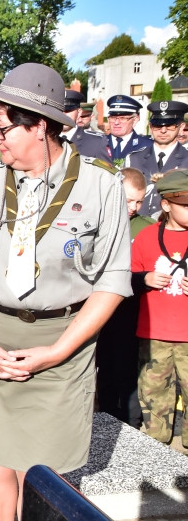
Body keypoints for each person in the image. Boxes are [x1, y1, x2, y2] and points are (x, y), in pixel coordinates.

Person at [0, 64, 131, 521]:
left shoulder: (99, 187)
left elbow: (112, 282)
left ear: (42, 125)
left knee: (45, 470)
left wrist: (56, 352)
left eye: (5, 130)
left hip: (60, 342)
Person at [133, 170, 188, 454]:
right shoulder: (145, 237)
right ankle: (158, 451)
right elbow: (125, 278)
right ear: (166, 204)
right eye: (185, 205)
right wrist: (144, 279)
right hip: (155, 334)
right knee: (154, 393)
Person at [96, 167, 155, 428]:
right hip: (100, 305)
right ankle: (105, 415)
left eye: (139, 201)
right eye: (128, 199)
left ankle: (131, 422)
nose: (133, 206)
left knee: (128, 367)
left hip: (132, 309)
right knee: (104, 365)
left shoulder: (146, 227)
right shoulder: (100, 220)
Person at [136, 100, 188, 217]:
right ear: (150, 126)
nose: (163, 130)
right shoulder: (134, 158)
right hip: (138, 228)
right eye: (157, 125)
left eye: (169, 125)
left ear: (181, 127)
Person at [60, 90, 109, 161]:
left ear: (79, 112)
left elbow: (107, 171)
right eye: (60, 110)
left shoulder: (97, 142)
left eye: (68, 111)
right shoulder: (44, 139)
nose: (63, 115)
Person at [106, 95, 152, 166]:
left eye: (123, 118)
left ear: (136, 119)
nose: (116, 122)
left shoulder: (148, 146)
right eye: (113, 117)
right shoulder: (99, 143)